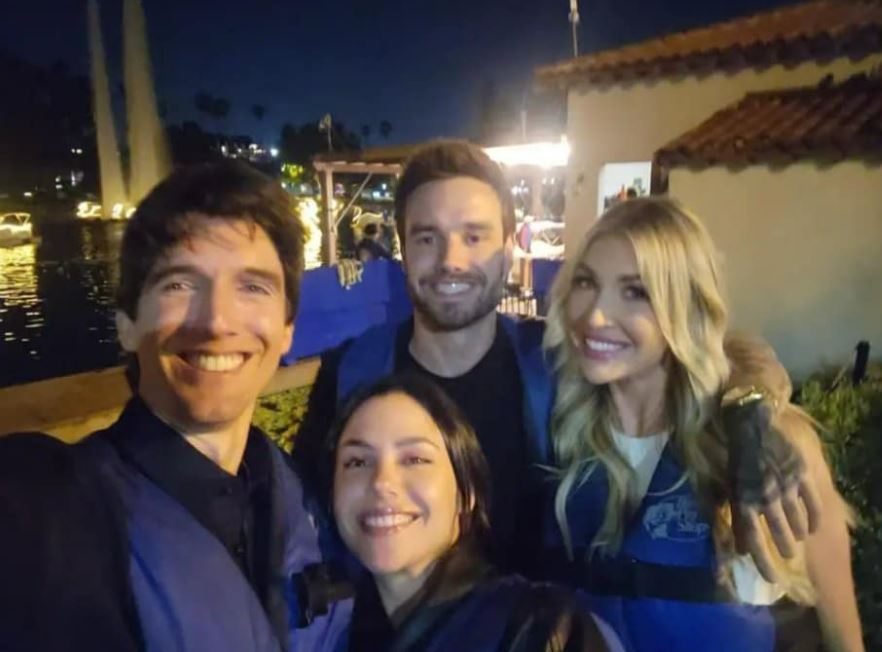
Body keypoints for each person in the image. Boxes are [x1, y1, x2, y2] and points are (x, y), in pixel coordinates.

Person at [293, 139, 823, 579]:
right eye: (427, 238)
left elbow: (701, 345)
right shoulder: (351, 374)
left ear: (508, 247)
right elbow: (303, 533)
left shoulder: (551, 360)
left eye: (474, 237)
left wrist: (751, 404)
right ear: (403, 248)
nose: (451, 260)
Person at [0, 161, 350, 651]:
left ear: (287, 328)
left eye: (253, 287)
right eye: (180, 284)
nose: (216, 321)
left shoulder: (305, 496)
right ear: (126, 323)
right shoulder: (50, 513)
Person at [540, 197, 862, 651]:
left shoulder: (764, 445)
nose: (594, 316)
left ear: (685, 306)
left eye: (636, 292)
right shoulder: (560, 427)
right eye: (587, 283)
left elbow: (842, 633)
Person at [325, 372, 620, 652]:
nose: (382, 482)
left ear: (467, 493)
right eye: (357, 462)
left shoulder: (539, 628)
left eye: (414, 459)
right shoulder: (323, 636)